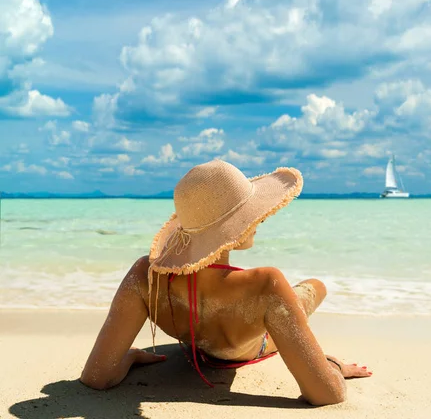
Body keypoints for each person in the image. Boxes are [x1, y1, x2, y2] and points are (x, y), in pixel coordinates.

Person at [81, 159, 371, 405]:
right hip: (250, 342)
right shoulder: (266, 284)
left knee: (303, 292)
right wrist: (331, 365)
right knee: (316, 287)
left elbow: (96, 377)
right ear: (233, 226)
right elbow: (326, 395)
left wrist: (129, 356)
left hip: (198, 341)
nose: (259, 220)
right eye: (251, 214)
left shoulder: (146, 275)